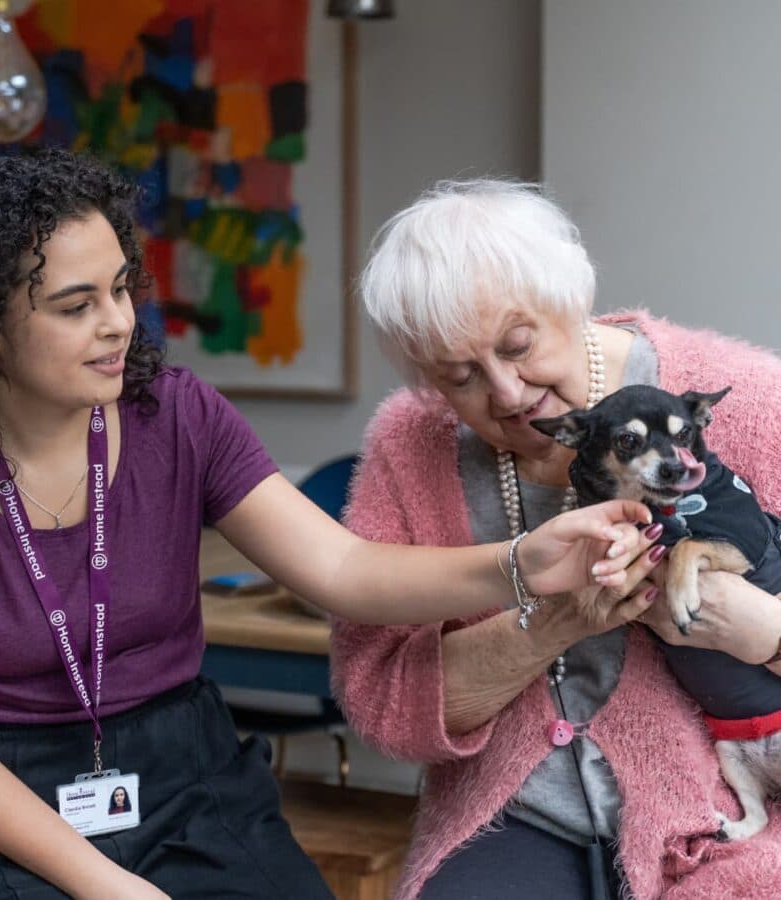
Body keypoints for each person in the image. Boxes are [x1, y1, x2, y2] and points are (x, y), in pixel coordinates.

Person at [0, 152, 650, 900]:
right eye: (75, 305)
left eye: (121, 289)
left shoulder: (177, 415)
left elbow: (344, 571)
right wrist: (109, 887)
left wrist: (521, 561)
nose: (119, 322)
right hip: (0, 801)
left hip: (186, 776)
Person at [329, 179, 781, 900]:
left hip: (739, 809)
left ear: (569, 298)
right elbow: (384, 700)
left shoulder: (750, 397)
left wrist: (765, 630)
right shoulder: (408, 446)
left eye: (518, 345)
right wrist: (559, 618)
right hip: (513, 818)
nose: (506, 393)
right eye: (461, 376)